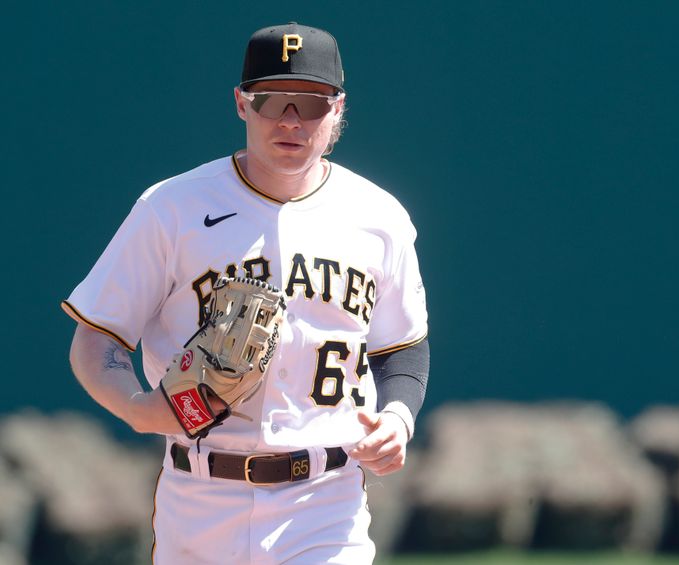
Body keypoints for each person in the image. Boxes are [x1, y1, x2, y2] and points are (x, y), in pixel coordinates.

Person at [63, 22, 429, 564]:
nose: (290, 120)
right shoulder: (173, 208)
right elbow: (97, 343)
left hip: (325, 502)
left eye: (311, 104)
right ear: (241, 103)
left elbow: (401, 348)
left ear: (338, 111)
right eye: (272, 101)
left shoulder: (378, 217)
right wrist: (142, 411)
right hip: (200, 496)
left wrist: (398, 419)